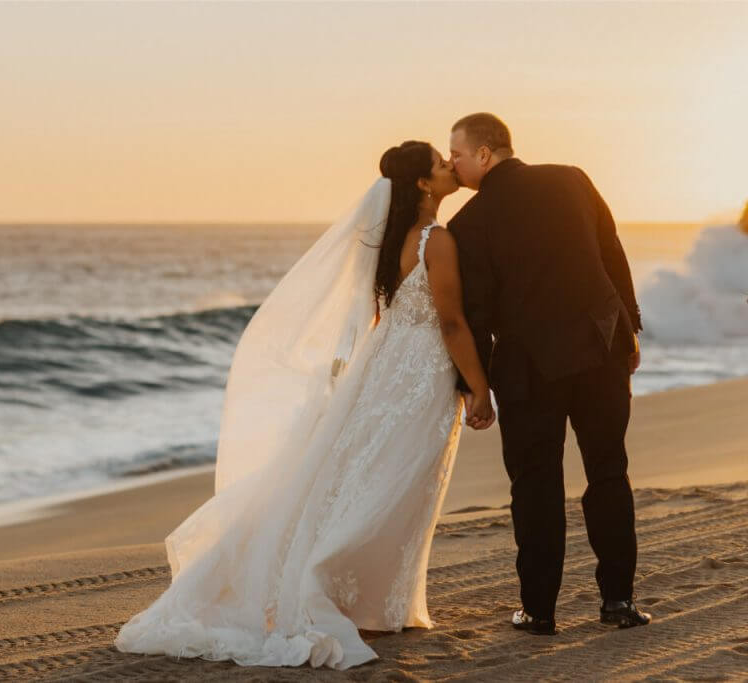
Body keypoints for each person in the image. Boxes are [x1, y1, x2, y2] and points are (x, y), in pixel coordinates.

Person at [114, 141, 493, 669]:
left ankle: (372, 598)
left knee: (370, 474)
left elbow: (387, 315)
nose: (451, 166)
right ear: (424, 185)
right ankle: (343, 591)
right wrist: (479, 386)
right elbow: (451, 322)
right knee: (399, 479)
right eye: (440, 163)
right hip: (420, 370)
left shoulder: (389, 240)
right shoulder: (438, 240)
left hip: (385, 365)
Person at [447, 112, 651, 636]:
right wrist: (629, 330)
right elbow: (612, 254)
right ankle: (619, 603)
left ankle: (539, 611)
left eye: (458, 154)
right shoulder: (572, 178)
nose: (454, 163)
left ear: (486, 153)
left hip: (528, 371)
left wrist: (474, 386)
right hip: (601, 350)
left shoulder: (468, 224)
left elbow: (477, 313)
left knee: (535, 487)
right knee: (609, 472)